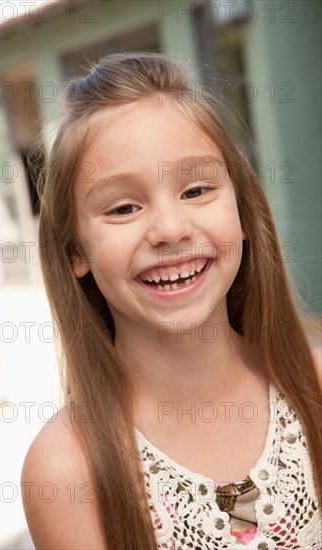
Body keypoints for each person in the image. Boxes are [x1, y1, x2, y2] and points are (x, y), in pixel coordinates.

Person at [21, 52, 321, 549]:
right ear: (75, 250)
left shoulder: (312, 385)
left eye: (196, 189)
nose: (170, 229)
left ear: (243, 213)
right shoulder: (68, 469)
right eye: (123, 207)